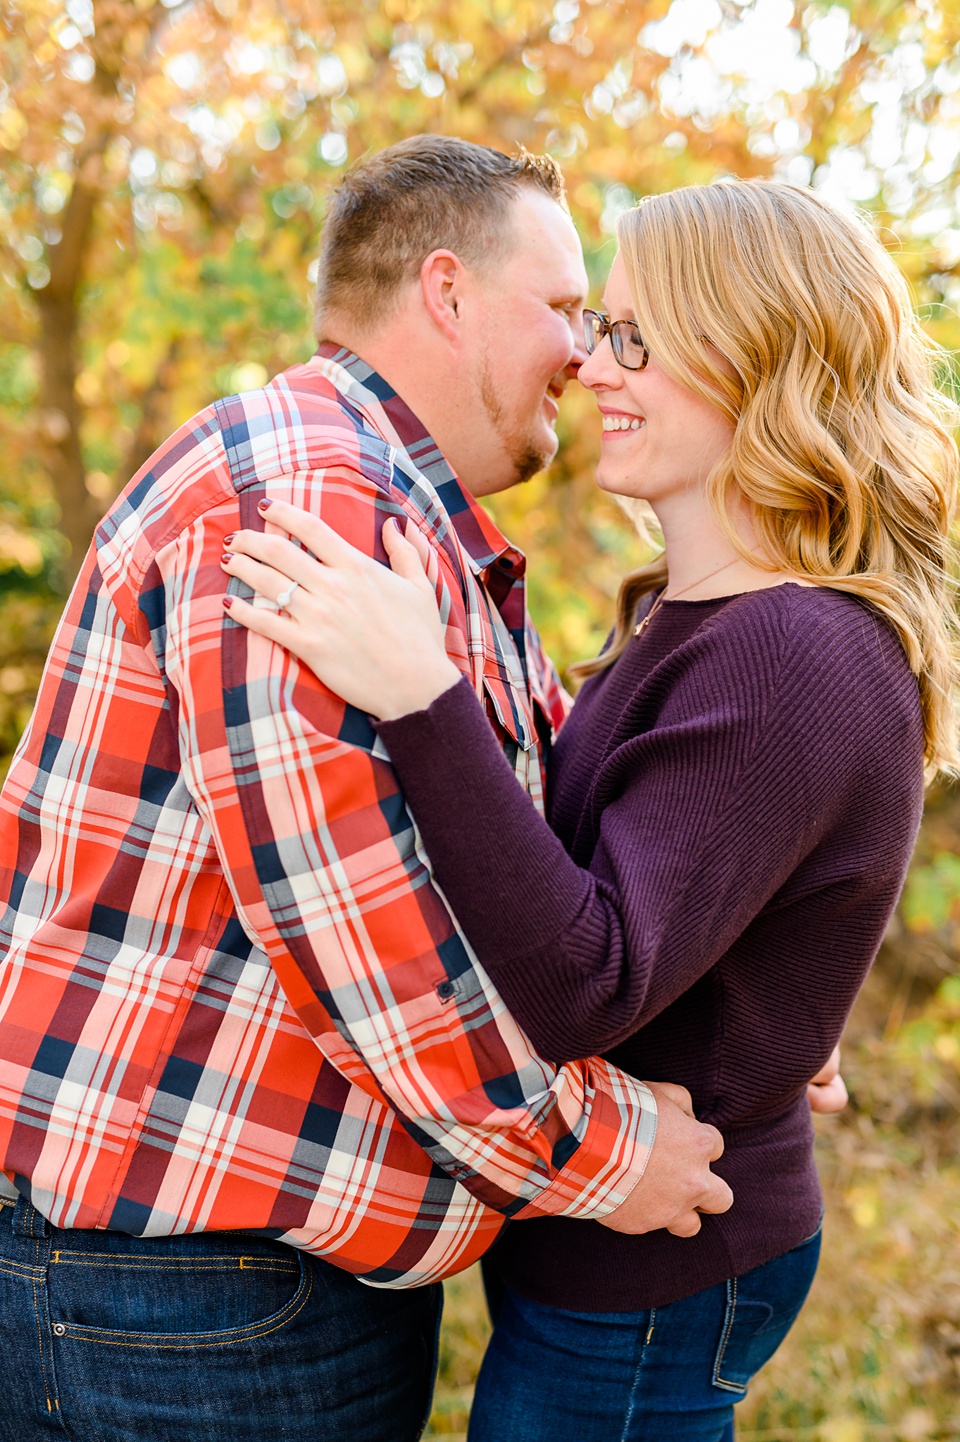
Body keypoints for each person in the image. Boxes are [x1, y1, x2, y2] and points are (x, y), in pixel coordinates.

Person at [0, 138, 739, 1442]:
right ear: (446, 293)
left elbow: (542, 849)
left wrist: (742, 1005)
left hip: (232, 1294)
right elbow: (372, 942)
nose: (585, 352)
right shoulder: (308, 501)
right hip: (188, 1308)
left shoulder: (405, 516)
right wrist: (611, 1152)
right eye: (565, 307)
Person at [219, 178, 960, 1441]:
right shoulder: (690, 613)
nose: (588, 365)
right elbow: (660, 873)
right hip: (606, 1254)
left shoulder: (798, 650)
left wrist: (421, 691)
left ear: (758, 349)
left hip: (661, 1277)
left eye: (632, 337)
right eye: (595, 326)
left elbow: (589, 975)